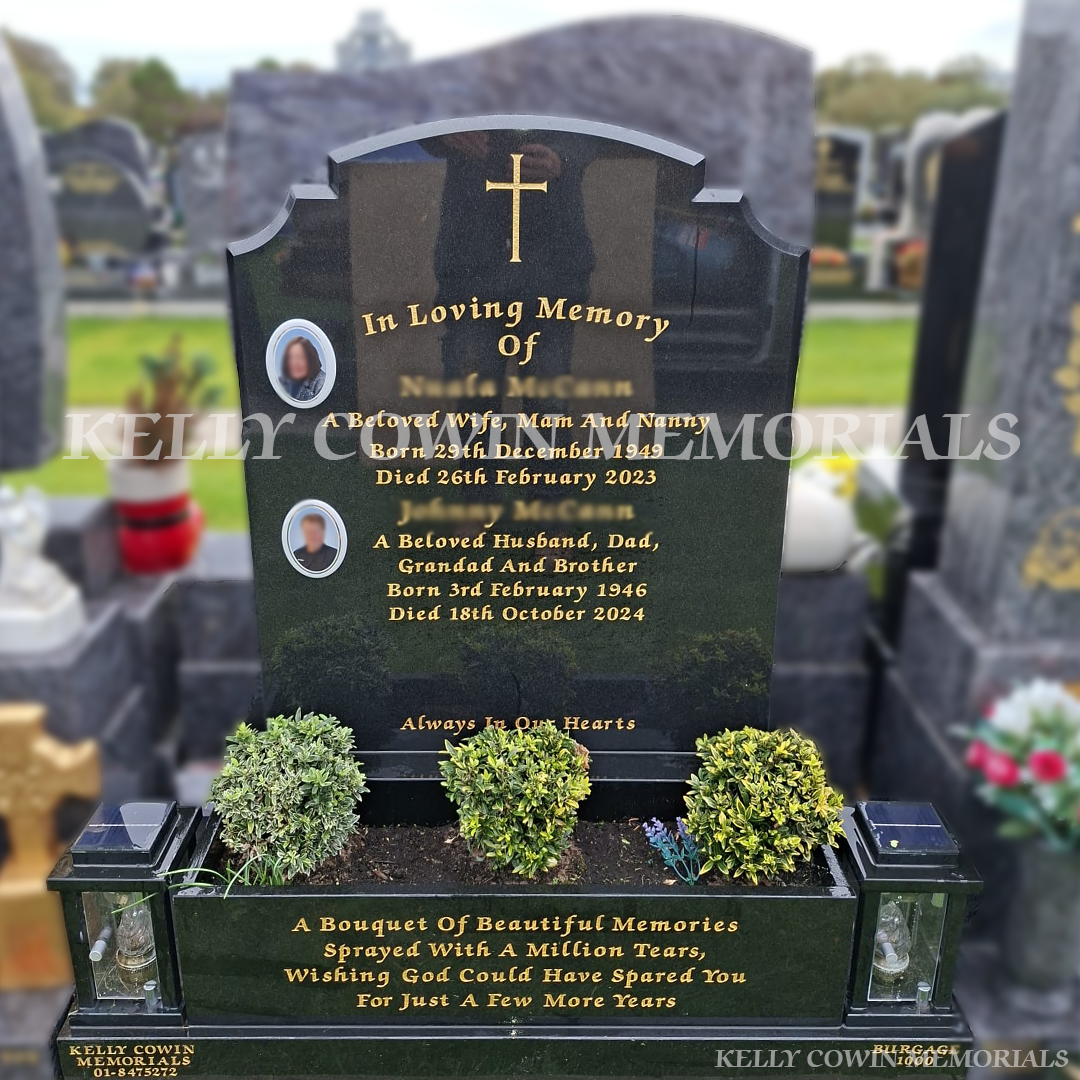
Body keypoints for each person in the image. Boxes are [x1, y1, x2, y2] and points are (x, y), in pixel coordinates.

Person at [279, 336, 325, 402]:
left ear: (312, 359)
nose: (295, 363)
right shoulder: (286, 381)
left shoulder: (322, 384)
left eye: (301, 357)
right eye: (291, 358)